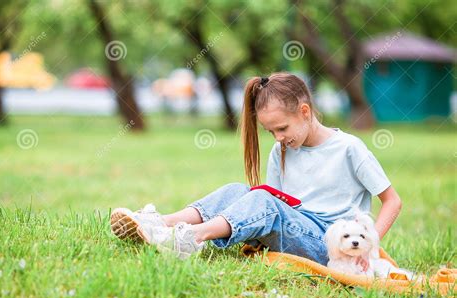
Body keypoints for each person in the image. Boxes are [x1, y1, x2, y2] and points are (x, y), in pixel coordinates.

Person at [110, 73, 402, 269]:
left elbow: (392, 201)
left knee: (262, 200)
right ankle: (161, 223)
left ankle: (191, 238)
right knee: (238, 190)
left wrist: (367, 248)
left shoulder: (349, 148)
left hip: (328, 242)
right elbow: (276, 203)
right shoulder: (282, 151)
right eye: (270, 131)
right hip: (296, 228)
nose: (277, 137)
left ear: (305, 111)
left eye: (282, 128)